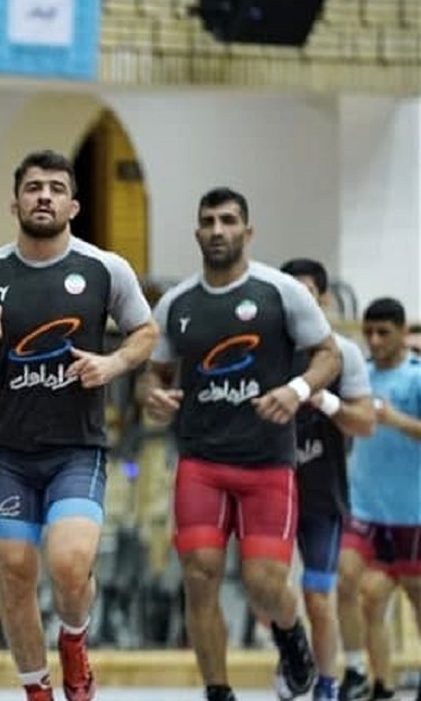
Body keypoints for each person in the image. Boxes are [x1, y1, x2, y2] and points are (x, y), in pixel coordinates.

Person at [0, 150, 156, 701]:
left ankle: (74, 637)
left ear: (73, 205)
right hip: (9, 453)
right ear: (14, 202)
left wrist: (112, 364)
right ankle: (36, 688)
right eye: (34, 187)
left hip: (76, 449)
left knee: (69, 563)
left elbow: (145, 333)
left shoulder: (105, 268)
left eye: (56, 188)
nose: (44, 196)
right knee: (15, 574)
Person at [139, 187, 341, 701]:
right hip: (200, 462)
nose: (217, 230)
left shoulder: (280, 292)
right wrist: (153, 395)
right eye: (208, 221)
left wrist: (296, 391)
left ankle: (291, 637)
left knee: (264, 583)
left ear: (247, 232)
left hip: (266, 463)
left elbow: (329, 355)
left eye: (228, 221)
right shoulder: (177, 303)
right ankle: (218, 691)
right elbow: (154, 373)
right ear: (197, 233)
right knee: (200, 577)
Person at [271, 258, 376, 701]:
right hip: (271, 490)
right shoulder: (268, 348)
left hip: (320, 493)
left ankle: (328, 685)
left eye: (307, 294)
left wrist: (325, 401)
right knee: (268, 589)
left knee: (318, 595)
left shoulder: (342, 353)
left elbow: (365, 422)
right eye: (290, 295)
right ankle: (294, 656)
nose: (299, 303)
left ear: (324, 298)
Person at [336, 297, 421, 701]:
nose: (373, 340)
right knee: (362, 593)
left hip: (412, 511)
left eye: (383, 332)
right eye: (368, 332)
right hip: (365, 507)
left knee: (417, 598)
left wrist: (394, 419)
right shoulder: (361, 379)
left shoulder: (416, 377)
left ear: (402, 333)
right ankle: (376, 681)